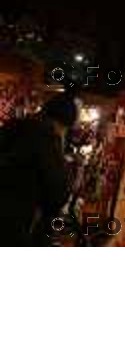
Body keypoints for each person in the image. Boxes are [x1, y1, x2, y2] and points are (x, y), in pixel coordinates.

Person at [0, 94, 78, 246]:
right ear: (62, 124)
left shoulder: (11, 127)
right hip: (19, 225)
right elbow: (58, 193)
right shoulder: (47, 139)